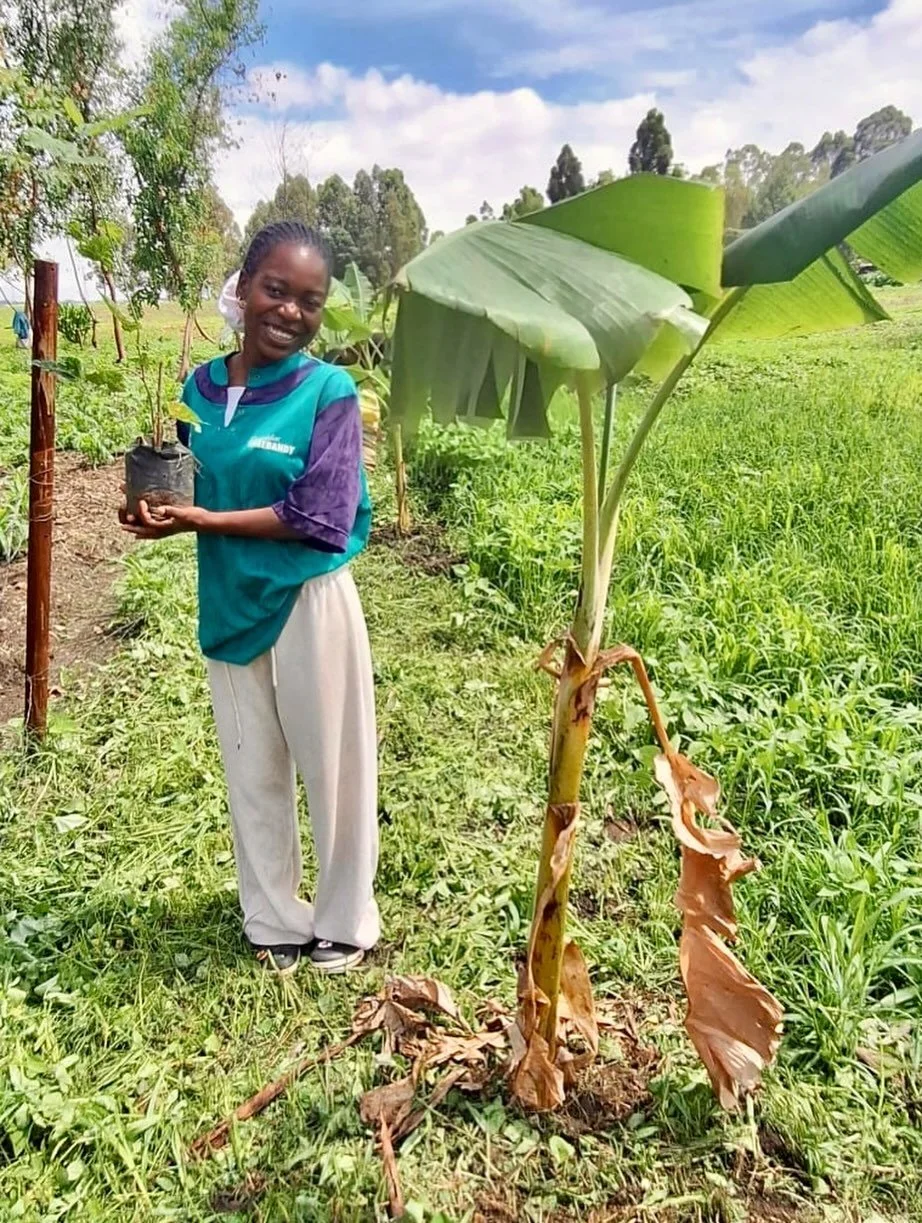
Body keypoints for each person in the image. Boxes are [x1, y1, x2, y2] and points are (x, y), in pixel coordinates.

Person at [120, 221, 379, 976]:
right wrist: (157, 514)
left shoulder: (329, 392)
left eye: (310, 300)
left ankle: (343, 919)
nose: (290, 312)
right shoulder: (197, 389)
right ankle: (271, 916)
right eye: (276, 289)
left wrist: (203, 520)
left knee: (333, 767)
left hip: (309, 598)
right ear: (241, 287)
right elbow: (185, 479)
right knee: (252, 764)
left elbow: (321, 514)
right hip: (229, 596)